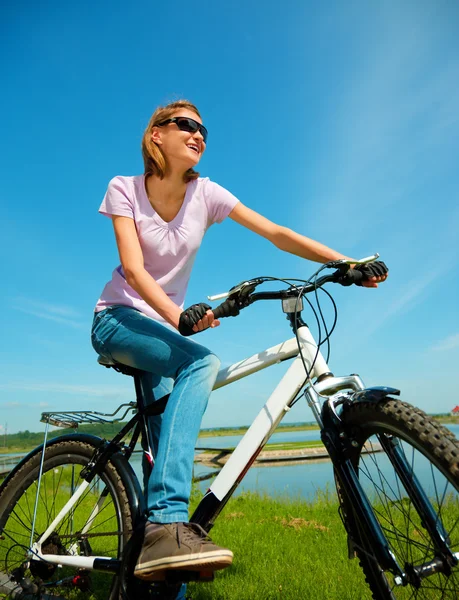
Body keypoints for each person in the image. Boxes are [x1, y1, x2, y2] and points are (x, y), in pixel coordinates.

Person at [91, 100, 388, 584]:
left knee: (159, 448)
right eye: (185, 125)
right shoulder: (124, 188)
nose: (198, 134)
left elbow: (276, 232)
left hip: (164, 331)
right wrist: (177, 318)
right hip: (119, 320)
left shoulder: (205, 194)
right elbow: (133, 268)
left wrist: (346, 264)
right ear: (156, 136)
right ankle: (167, 522)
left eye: (203, 129)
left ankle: (159, 566)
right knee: (202, 365)